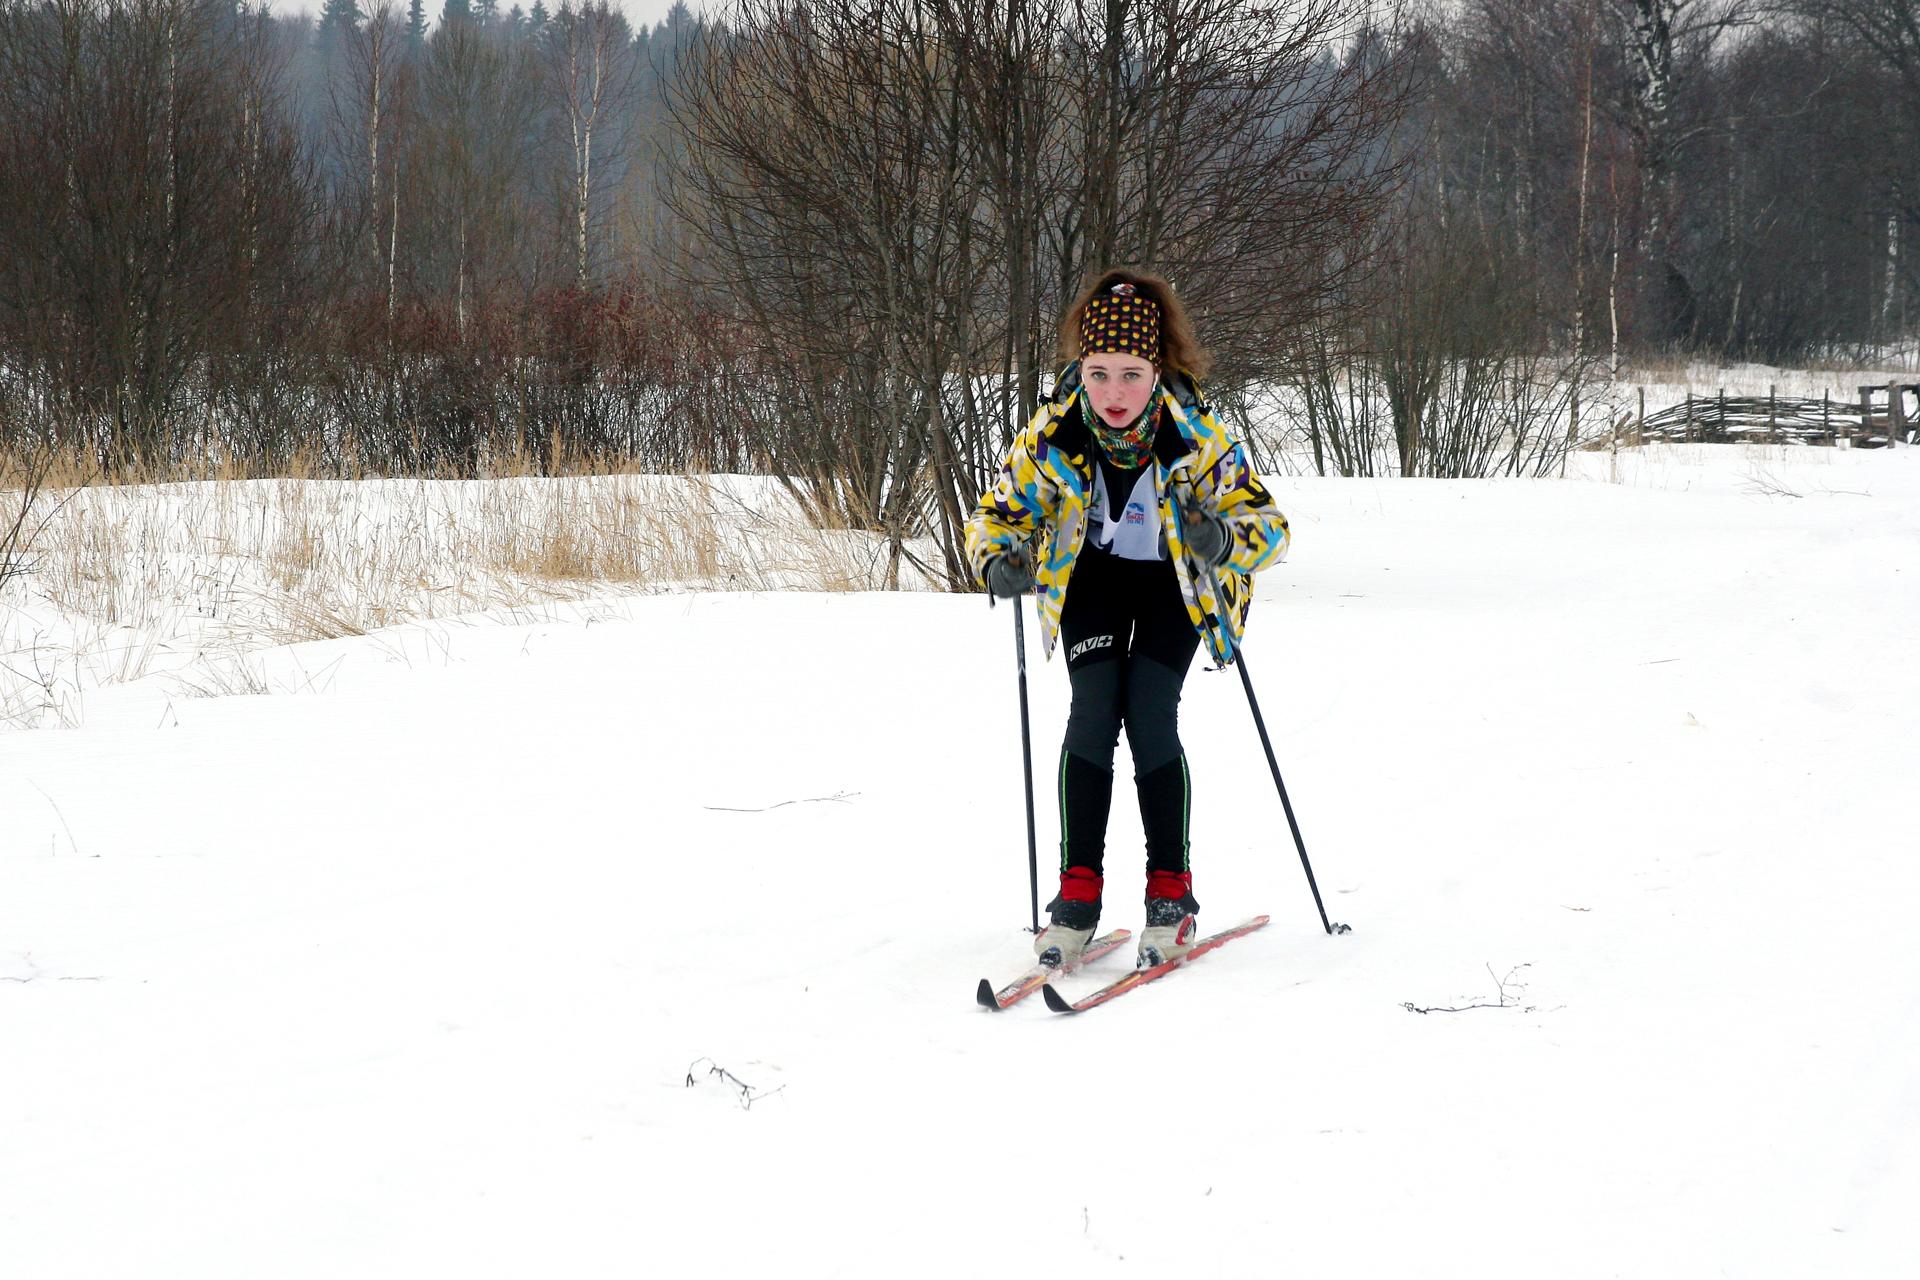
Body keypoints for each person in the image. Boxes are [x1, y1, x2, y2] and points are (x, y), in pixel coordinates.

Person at [965, 268, 1290, 969]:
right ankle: (1076, 897)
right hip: (1096, 580)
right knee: (1092, 712)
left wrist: (1223, 541)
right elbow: (996, 515)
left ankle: (1171, 896)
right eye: (1099, 372)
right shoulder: (1054, 432)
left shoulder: (1195, 437)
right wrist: (999, 559)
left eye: (1132, 374)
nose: (1114, 393)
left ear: (1158, 369)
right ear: (1080, 368)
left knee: (1148, 714)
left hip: (1174, 584)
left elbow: (1270, 527)